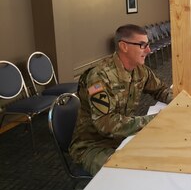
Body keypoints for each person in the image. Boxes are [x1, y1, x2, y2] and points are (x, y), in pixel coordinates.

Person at [69, 24, 173, 176]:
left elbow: (161, 90)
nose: (149, 50)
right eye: (142, 45)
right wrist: (154, 121)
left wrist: (180, 103)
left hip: (121, 137)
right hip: (93, 146)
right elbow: (105, 123)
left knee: (159, 157)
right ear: (124, 46)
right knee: (129, 174)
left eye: (148, 45)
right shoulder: (99, 77)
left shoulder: (139, 70)